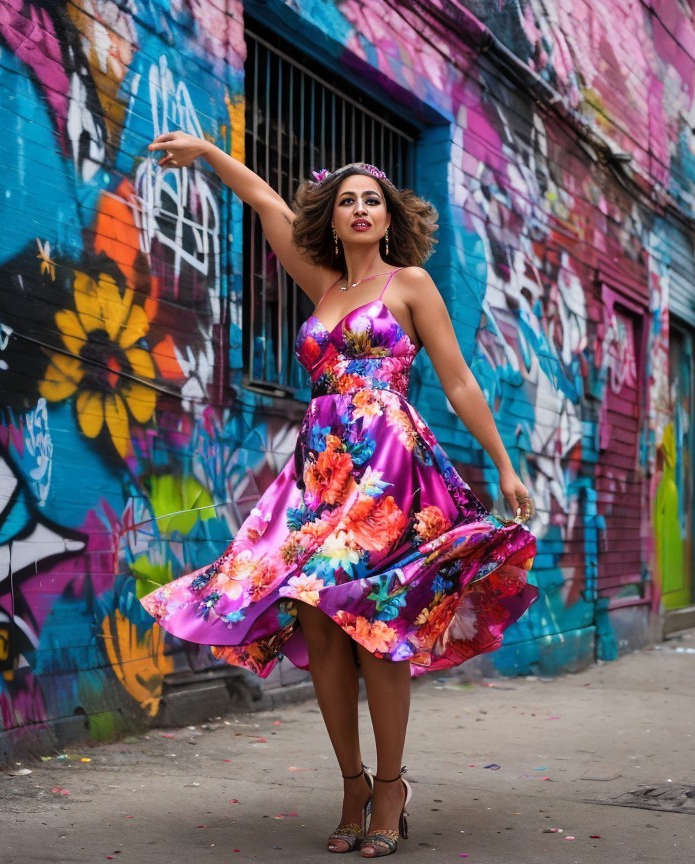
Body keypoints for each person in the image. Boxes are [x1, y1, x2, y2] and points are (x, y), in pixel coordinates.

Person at [140, 131, 538, 858]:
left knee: (377, 626)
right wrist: (206, 151)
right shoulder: (321, 284)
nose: (360, 210)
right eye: (348, 200)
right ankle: (352, 781)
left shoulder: (410, 285)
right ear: (333, 215)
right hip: (321, 471)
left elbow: (458, 382)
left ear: (389, 218)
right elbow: (262, 199)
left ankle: (390, 786)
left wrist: (504, 463)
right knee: (316, 618)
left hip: (389, 470)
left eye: (373, 201)